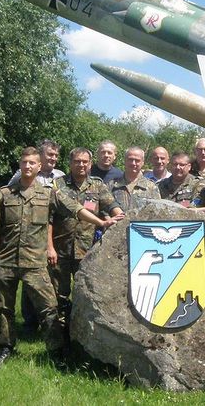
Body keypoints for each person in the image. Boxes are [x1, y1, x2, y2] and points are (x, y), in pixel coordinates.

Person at [0, 147, 108, 368]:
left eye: (32, 163)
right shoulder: (4, 194)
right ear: (20, 164)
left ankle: (55, 351)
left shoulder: (49, 194)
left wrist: (101, 223)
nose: (27, 166)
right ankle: (5, 347)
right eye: (24, 162)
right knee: (4, 307)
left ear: (38, 167)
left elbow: (76, 209)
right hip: (7, 261)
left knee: (48, 307)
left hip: (35, 262)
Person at [51, 148, 124, 345]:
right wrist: (49, 247)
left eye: (85, 162)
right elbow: (53, 217)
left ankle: (84, 335)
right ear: (70, 163)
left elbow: (111, 204)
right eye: (77, 161)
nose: (81, 165)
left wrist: (119, 215)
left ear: (90, 164)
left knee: (86, 293)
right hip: (61, 250)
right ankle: (62, 338)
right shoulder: (57, 184)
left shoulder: (97, 186)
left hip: (87, 251)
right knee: (60, 295)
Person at [16, 139, 66, 334]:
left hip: (54, 234)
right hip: (29, 240)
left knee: (49, 282)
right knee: (29, 283)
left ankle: (52, 323)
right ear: (40, 157)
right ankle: (30, 323)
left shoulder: (60, 177)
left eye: (55, 155)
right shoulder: (21, 175)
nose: (53, 158)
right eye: (49, 155)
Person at [108, 146, 161, 211]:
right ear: (124, 161)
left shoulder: (152, 188)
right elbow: (104, 210)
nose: (133, 163)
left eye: (137, 160)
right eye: (130, 159)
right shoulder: (111, 186)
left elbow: (157, 212)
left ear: (143, 163)